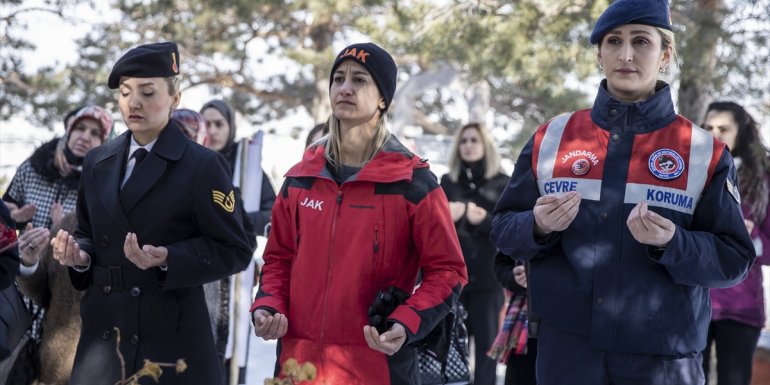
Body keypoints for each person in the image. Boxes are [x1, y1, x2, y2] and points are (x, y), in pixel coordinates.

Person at [489, 1, 756, 384]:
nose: (626, 54)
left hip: (663, 359)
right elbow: (502, 229)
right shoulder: (553, 137)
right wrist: (537, 226)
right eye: (614, 41)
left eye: (641, 41)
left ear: (664, 55)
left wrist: (673, 243)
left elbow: (734, 258)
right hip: (568, 355)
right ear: (600, 54)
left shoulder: (703, 150)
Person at [250, 42, 468, 384]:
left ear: (383, 98)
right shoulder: (300, 178)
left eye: (360, 80)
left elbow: (448, 271)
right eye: (338, 79)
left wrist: (407, 320)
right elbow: (277, 259)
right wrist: (269, 304)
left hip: (375, 365)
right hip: (297, 363)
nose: (345, 88)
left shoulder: (413, 181)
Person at [49, 41, 254, 385]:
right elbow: (88, 231)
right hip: (104, 336)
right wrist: (80, 255)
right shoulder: (98, 161)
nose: (134, 103)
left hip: (170, 340)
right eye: (126, 92)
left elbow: (235, 249)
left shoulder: (203, 165)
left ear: (175, 97)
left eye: (147, 92)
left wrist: (169, 258)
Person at [200, 99, 274, 383]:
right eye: (206, 124)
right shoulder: (189, 162)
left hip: (235, 282)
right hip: (198, 276)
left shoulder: (249, 169)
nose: (213, 130)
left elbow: (275, 216)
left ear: (231, 128)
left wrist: (239, 221)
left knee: (230, 362)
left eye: (219, 124)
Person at [701, 101, 770, 385]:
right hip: (693, 301)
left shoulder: (762, 180)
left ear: (740, 132)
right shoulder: (687, 172)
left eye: (723, 129)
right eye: (708, 128)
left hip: (741, 306)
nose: (714, 134)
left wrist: (748, 236)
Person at [439, 122, 508, 385]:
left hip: (488, 280)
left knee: (487, 353)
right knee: (450, 351)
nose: (468, 145)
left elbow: (507, 227)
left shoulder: (502, 183)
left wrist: (479, 218)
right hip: (453, 280)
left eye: (473, 141)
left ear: (485, 145)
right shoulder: (448, 181)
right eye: (464, 141)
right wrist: (448, 215)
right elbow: (433, 225)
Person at [16, 213, 82, 385]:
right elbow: (42, 294)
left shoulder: (149, 231)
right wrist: (29, 264)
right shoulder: (70, 223)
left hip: (121, 370)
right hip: (55, 369)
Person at [489, 252, 536, 385]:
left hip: (564, 324)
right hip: (521, 325)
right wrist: (514, 278)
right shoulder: (521, 232)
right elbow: (502, 264)